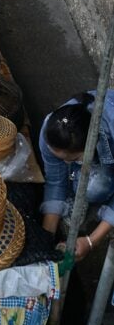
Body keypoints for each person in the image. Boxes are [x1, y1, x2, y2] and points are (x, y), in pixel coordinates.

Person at [40, 90, 114, 261]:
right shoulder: (51, 128)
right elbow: (55, 181)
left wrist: (90, 242)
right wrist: (45, 239)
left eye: (72, 159)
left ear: (90, 146)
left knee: (95, 188)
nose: (65, 163)